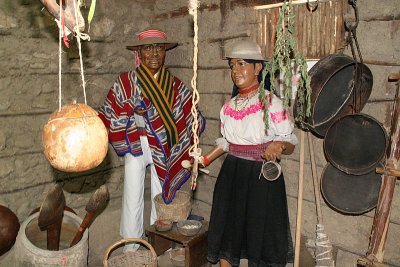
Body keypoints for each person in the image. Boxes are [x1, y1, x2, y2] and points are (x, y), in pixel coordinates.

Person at [98, 28, 205, 249]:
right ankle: (131, 244)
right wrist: (130, 111)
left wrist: (188, 128)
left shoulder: (174, 84)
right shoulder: (126, 81)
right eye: (148, 48)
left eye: (159, 48)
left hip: (164, 145)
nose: (154, 53)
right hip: (136, 143)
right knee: (132, 193)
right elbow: (110, 111)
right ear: (139, 52)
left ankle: (160, 240)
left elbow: (190, 113)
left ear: (165, 52)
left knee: (161, 192)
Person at [202, 40, 297, 266]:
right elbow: (226, 143)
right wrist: (203, 160)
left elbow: (291, 141)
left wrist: (279, 145)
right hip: (232, 172)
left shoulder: (272, 103)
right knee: (228, 227)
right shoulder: (228, 107)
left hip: (261, 175)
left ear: (258, 68)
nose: (235, 71)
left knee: (260, 229)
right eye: (232, 65)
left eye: (242, 64)